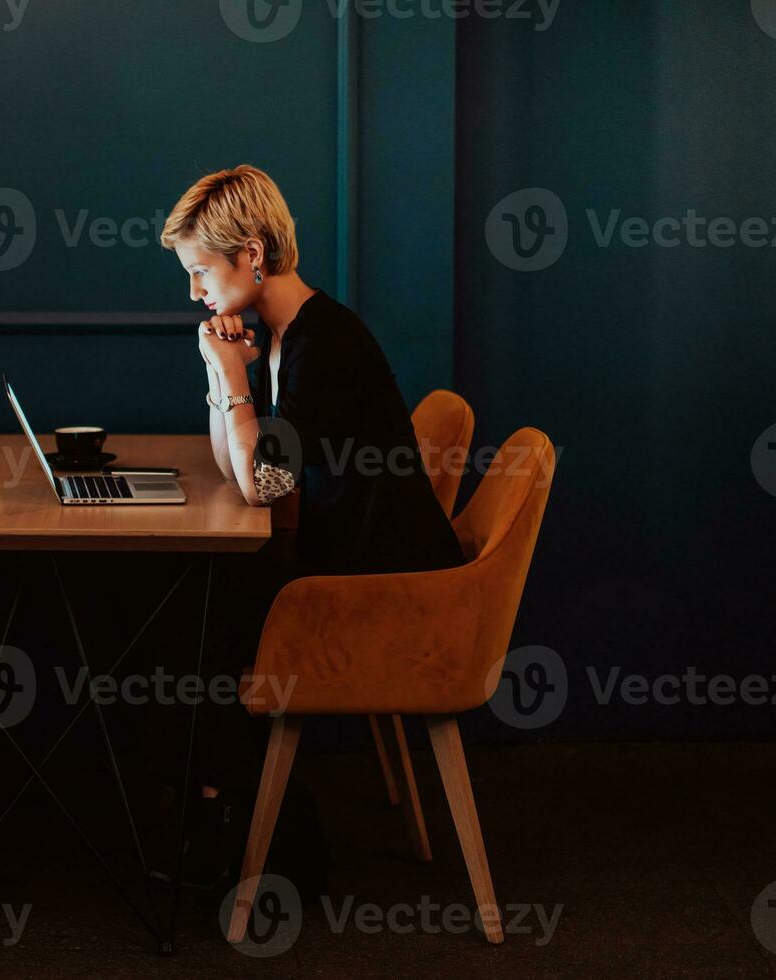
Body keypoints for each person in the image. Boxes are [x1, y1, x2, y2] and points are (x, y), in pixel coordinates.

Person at [147, 164, 466, 892]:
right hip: (345, 561)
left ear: (250, 254)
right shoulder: (288, 334)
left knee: (198, 614)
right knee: (192, 603)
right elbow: (241, 471)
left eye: (200, 272)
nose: (194, 292)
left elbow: (260, 483)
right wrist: (218, 371)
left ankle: (243, 825)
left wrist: (231, 380)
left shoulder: (327, 345)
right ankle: (223, 809)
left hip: (384, 591)